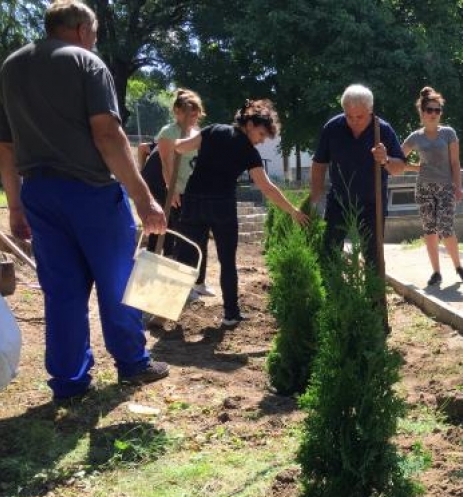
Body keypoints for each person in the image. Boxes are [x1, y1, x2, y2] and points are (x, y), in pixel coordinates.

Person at [0, 0, 169, 404]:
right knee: (116, 282)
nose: (94, 42)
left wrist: (16, 205)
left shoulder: (11, 67)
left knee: (61, 292)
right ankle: (132, 363)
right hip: (91, 191)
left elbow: (5, 146)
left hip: (39, 193)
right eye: (93, 34)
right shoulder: (85, 62)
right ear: (80, 31)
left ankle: (69, 381)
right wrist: (144, 200)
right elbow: (108, 136)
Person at [174, 98, 308, 326]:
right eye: (262, 134)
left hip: (193, 202)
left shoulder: (213, 130)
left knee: (185, 258)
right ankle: (230, 314)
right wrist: (292, 211)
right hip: (222, 207)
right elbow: (267, 187)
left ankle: (167, 309)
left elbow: (180, 146)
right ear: (250, 124)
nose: (261, 141)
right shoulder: (248, 151)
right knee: (227, 261)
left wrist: (170, 156)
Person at [310, 84, 406, 267]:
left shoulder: (383, 130)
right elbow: (319, 164)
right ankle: (330, 291)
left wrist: (385, 159)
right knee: (330, 251)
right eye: (349, 116)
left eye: (359, 116)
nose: (353, 121)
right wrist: (315, 199)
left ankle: (375, 294)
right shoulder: (332, 128)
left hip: (373, 202)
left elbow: (399, 167)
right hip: (339, 200)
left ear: (370, 110)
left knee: (373, 255)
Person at [401, 86, 463, 287]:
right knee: (430, 229)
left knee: (445, 227)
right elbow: (397, 160)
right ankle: (436, 272)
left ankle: (458, 266)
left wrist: (459, 186)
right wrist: (416, 167)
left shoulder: (448, 133)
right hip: (423, 188)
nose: (433, 114)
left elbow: (455, 163)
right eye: (429, 110)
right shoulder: (415, 137)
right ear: (422, 113)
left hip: (446, 187)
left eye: (437, 110)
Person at [153, 89, 207, 282]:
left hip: (197, 193)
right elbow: (166, 163)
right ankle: (182, 282)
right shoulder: (168, 133)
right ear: (177, 111)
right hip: (179, 192)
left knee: (200, 238)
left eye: (196, 114)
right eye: (189, 114)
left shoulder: (197, 133)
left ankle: (199, 281)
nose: (193, 118)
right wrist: (172, 189)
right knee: (184, 237)